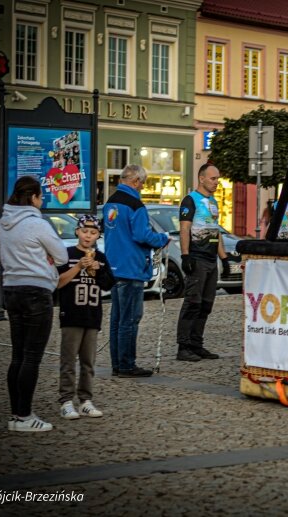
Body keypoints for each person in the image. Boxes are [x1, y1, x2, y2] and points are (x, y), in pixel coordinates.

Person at [0, 175, 68, 432]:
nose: (42, 201)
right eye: (41, 196)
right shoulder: (37, 224)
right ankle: (26, 415)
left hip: (12, 290)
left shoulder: (4, 222)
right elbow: (61, 255)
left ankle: (16, 414)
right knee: (31, 357)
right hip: (37, 291)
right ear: (33, 197)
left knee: (17, 355)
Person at [103, 164, 172, 377]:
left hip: (113, 267)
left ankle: (117, 363)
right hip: (131, 267)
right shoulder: (135, 205)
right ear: (136, 181)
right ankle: (126, 365)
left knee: (117, 319)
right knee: (130, 319)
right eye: (142, 183)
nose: (142, 187)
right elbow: (142, 235)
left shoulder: (110, 203)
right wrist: (163, 238)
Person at [56, 215, 115, 420]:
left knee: (88, 361)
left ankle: (85, 400)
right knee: (68, 360)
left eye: (93, 233)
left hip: (92, 314)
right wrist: (79, 267)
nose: (88, 236)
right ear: (77, 232)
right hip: (71, 313)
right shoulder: (66, 254)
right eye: (84, 231)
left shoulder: (101, 257)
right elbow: (58, 282)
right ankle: (65, 400)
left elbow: (108, 284)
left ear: (98, 235)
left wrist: (97, 270)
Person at [176, 163, 230, 362]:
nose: (216, 182)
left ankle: (196, 345)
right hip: (197, 258)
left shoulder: (214, 202)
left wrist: (223, 258)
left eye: (218, 178)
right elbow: (184, 228)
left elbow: (215, 230)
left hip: (210, 259)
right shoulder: (191, 200)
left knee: (206, 305)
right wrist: (185, 255)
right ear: (201, 178)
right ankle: (183, 346)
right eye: (213, 178)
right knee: (192, 302)